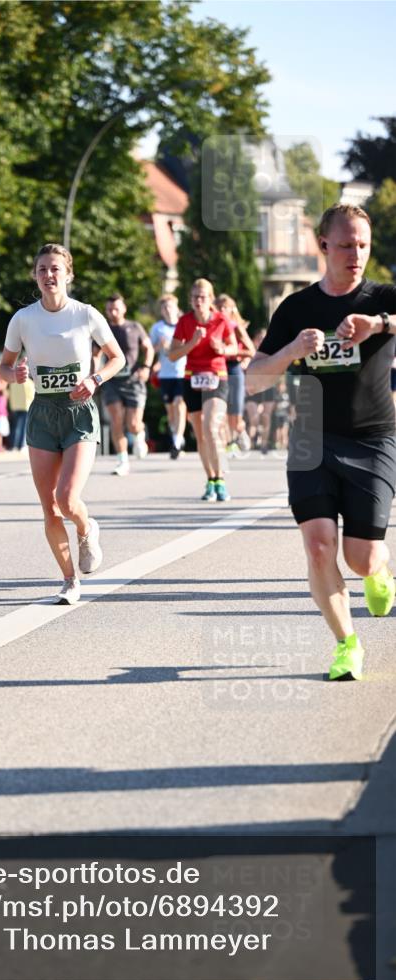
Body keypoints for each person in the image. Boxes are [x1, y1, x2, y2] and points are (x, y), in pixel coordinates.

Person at [246, 203, 396, 681]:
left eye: (363, 245)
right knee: (317, 546)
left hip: (372, 437)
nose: (356, 254)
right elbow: (253, 379)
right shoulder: (297, 308)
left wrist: (378, 325)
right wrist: (291, 351)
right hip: (311, 435)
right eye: (347, 245)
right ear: (324, 245)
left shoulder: (382, 298)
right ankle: (347, 644)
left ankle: (379, 571)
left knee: (360, 557)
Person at [0, 242, 125, 605]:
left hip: (78, 411)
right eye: (42, 269)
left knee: (67, 498)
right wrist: (14, 374)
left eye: (55, 268)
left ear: (68, 274)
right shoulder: (23, 319)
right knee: (49, 507)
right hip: (42, 413)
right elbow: (4, 367)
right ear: (35, 276)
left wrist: (95, 379)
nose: (48, 275)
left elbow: (117, 358)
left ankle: (86, 528)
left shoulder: (85, 314)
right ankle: (70, 580)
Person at [168, 278, 238, 501]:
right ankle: (211, 480)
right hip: (192, 378)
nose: (199, 301)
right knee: (200, 435)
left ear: (211, 299)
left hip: (217, 378)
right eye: (195, 297)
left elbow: (234, 347)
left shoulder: (221, 320)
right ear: (190, 300)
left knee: (211, 427)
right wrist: (192, 343)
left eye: (203, 297)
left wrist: (222, 348)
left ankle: (221, 480)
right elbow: (172, 355)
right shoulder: (185, 322)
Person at [101, 293, 154, 476]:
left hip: (133, 381)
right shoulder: (103, 329)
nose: (113, 312)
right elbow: (95, 354)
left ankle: (139, 435)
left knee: (133, 424)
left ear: (124, 308)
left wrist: (146, 367)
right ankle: (122, 461)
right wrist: (94, 375)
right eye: (110, 309)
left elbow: (148, 348)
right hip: (111, 381)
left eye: (116, 308)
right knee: (116, 420)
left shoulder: (135, 327)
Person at [215, 294, 255, 454]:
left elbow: (251, 351)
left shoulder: (236, 327)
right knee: (221, 410)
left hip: (233, 368)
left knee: (235, 412)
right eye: (219, 307)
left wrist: (230, 351)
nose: (222, 310)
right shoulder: (213, 326)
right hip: (217, 370)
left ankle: (239, 432)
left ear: (232, 309)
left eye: (226, 307)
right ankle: (229, 442)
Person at [149, 294, 187, 459]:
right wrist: (160, 346)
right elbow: (151, 350)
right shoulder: (157, 328)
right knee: (171, 412)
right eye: (164, 307)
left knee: (180, 404)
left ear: (176, 308)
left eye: (170, 306)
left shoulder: (184, 324)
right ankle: (177, 436)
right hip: (165, 374)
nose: (167, 310)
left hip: (182, 372)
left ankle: (177, 442)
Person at [8, 373, 35, 452]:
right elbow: (31, 395)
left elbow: (11, 394)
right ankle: (22, 445)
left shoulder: (13, 382)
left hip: (15, 406)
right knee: (24, 427)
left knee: (15, 427)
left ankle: (14, 445)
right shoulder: (29, 382)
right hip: (25, 406)